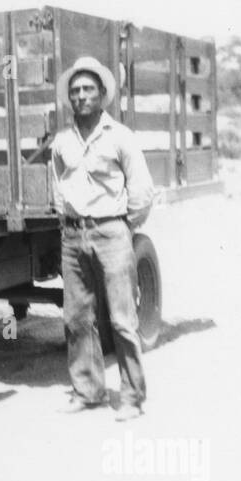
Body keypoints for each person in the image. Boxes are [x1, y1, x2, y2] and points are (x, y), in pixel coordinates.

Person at [50, 56, 155, 421]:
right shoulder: (62, 141)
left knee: (123, 320)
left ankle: (131, 397)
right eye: (75, 90)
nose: (81, 96)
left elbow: (142, 190)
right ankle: (87, 390)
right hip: (73, 236)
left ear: (102, 95)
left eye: (88, 89)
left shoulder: (121, 137)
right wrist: (68, 220)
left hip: (112, 231)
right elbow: (59, 186)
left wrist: (123, 225)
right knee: (77, 318)